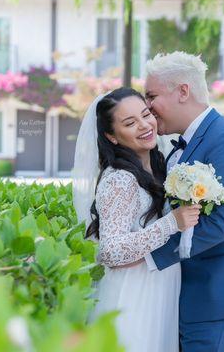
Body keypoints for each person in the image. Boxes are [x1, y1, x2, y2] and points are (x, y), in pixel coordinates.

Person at [144, 51, 224, 352]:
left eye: (151, 96)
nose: (147, 107)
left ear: (183, 91)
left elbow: (218, 224)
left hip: (221, 294)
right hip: (199, 291)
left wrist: (146, 259)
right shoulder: (183, 143)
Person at [73, 87, 201, 352]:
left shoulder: (159, 165)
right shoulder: (119, 179)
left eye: (146, 115)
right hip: (134, 294)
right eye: (130, 123)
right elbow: (110, 250)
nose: (145, 126)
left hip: (160, 288)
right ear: (112, 136)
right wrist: (171, 223)